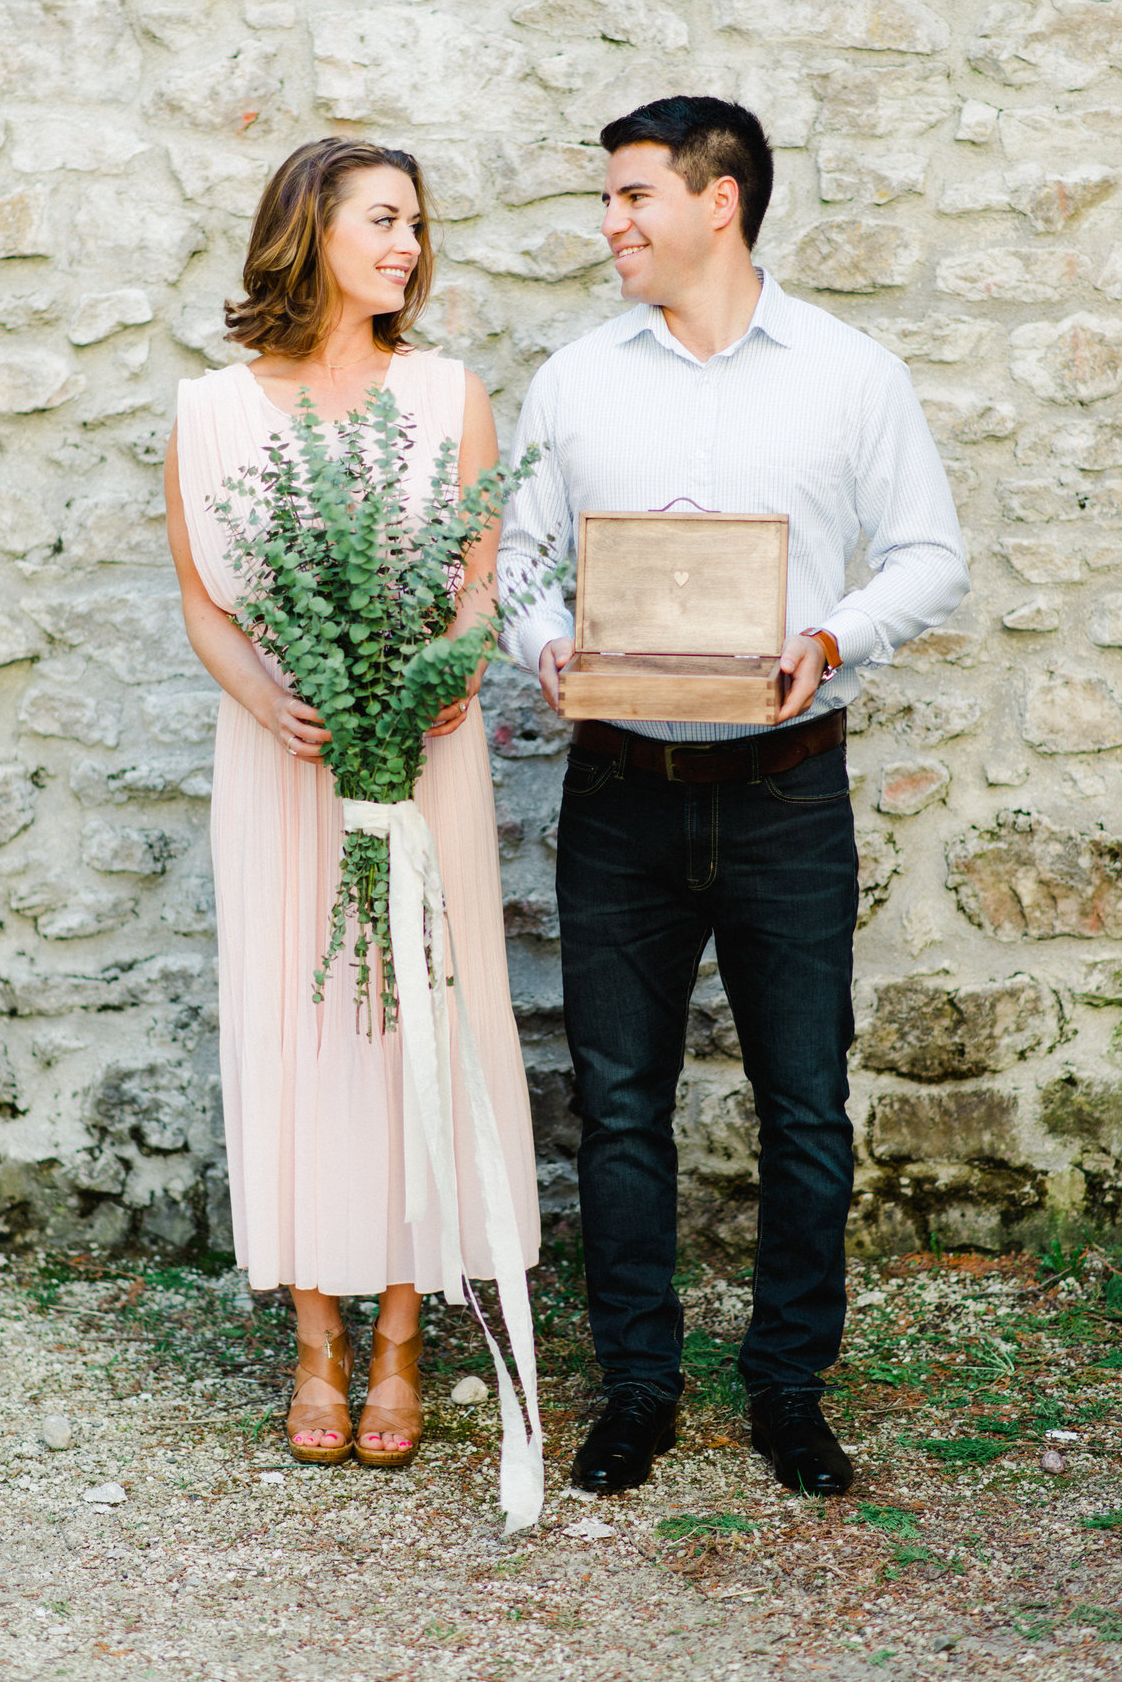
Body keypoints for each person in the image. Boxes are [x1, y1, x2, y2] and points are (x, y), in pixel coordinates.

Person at [497, 96, 969, 1498]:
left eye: (634, 195)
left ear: (723, 202)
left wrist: (831, 638)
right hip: (621, 793)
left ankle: (788, 1389)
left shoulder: (848, 371)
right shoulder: (576, 379)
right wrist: (547, 641)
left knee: (806, 1105)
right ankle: (638, 1385)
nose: (612, 222)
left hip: (786, 793)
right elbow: (520, 557)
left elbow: (929, 553)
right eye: (607, 198)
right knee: (620, 1102)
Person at [165, 138, 540, 1471]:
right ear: (307, 226)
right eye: (384, 219)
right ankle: (314, 1331)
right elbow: (206, 602)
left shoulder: (446, 395)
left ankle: (399, 1335)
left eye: (418, 227)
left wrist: (454, 670)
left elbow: (481, 580)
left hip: (417, 761)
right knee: (299, 1017)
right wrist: (271, 704)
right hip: (285, 763)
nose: (408, 246)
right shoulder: (213, 412)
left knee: (418, 1024)